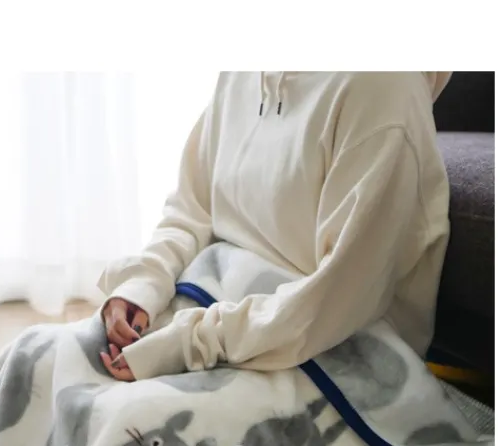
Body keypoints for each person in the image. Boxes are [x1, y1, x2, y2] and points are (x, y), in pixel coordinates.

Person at [98, 71, 453, 382]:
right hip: (217, 318)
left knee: (119, 422)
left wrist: (192, 343)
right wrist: (144, 283)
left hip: (332, 360)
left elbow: (338, 300)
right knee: (65, 367)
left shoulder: (383, 88)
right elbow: (192, 208)